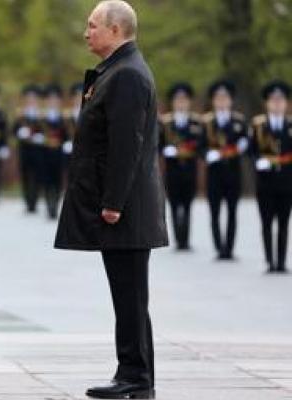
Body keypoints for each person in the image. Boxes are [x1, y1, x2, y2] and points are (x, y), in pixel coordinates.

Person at [54, 1, 167, 398]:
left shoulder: (127, 76)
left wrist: (114, 202)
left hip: (127, 209)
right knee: (130, 296)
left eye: (93, 26)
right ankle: (136, 375)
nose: (87, 33)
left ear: (116, 30)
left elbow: (126, 146)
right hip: (124, 207)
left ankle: (134, 376)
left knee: (130, 295)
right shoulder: (118, 71)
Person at [202, 80, 248, 260]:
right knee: (214, 211)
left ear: (230, 100)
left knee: (232, 211)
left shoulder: (239, 121)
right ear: (214, 101)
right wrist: (207, 154)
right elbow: (200, 146)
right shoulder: (207, 122)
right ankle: (218, 247)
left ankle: (229, 248)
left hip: (233, 173)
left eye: (225, 98)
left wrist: (243, 145)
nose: (222, 102)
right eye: (218, 98)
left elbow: (246, 142)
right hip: (214, 173)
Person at [250, 81, 292, 274]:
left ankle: (281, 262)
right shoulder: (259, 125)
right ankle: (269, 260)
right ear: (267, 103)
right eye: (273, 100)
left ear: (286, 104)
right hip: (265, 183)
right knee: (266, 222)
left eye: (280, 100)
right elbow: (251, 150)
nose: (277, 104)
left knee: (283, 223)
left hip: (286, 183)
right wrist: (259, 160)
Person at [159, 82, 205, 250]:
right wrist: (166, 150)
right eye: (178, 100)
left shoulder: (196, 122)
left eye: (184, 100)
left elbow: (201, 145)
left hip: (189, 169)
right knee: (174, 204)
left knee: (187, 205)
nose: (181, 103)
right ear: (173, 103)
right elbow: (158, 144)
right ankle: (178, 239)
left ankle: (186, 240)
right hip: (173, 170)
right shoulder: (166, 123)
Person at [40, 83, 70, 219]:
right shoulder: (41, 117)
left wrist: (67, 142)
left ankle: (55, 206)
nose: (52, 102)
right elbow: (34, 132)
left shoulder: (64, 118)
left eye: (55, 99)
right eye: (50, 99)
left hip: (58, 152)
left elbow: (68, 134)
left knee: (58, 181)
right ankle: (48, 205)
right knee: (47, 180)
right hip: (45, 152)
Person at [12, 84, 44, 213]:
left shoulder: (42, 115)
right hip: (24, 149)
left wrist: (41, 136)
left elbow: (47, 130)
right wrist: (19, 132)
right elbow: (13, 130)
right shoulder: (20, 115)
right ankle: (27, 201)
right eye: (28, 99)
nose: (31, 101)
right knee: (25, 175)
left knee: (37, 175)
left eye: (33, 99)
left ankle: (34, 201)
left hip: (38, 151)